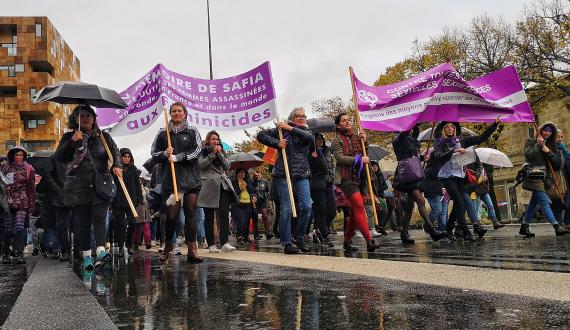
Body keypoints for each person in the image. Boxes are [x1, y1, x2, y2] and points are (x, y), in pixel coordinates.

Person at [56, 105, 121, 270]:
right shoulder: (69, 136)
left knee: (100, 219)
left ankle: (100, 250)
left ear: (94, 118)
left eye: (88, 115)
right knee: (83, 223)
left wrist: (117, 165)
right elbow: (60, 157)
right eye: (81, 115)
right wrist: (72, 142)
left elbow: (115, 153)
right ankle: (86, 256)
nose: (85, 118)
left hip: (101, 185)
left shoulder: (103, 137)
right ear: (76, 119)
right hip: (79, 186)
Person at [151, 102, 203, 263]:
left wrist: (179, 157)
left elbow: (197, 151)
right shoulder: (162, 133)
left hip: (191, 180)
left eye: (180, 111)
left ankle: (192, 249)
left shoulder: (192, 131)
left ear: (185, 113)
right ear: (171, 114)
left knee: (191, 213)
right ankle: (168, 246)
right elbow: (153, 153)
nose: (176, 113)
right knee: (172, 217)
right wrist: (165, 153)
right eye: (174, 111)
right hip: (171, 181)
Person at [257, 107, 314, 254]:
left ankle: (299, 237)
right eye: (298, 116)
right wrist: (278, 143)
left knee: (307, 206)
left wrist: (289, 127)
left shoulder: (307, 132)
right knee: (286, 208)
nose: (302, 118)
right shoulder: (281, 130)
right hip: (284, 174)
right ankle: (287, 242)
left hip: (302, 174)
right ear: (292, 117)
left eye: (303, 116)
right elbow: (261, 135)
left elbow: (309, 139)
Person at [432, 119, 499, 241]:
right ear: (443, 130)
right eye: (446, 127)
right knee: (461, 203)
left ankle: (448, 230)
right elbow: (438, 157)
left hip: (460, 177)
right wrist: (453, 151)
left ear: (455, 129)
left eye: (452, 126)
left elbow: (480, 138)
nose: (450, 129)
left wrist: (494, 125)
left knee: (458, 204)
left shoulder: (461, 141)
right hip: (448, 177)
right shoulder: (439, 143)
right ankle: (466, 231)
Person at [331, 113, 380, 252]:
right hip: (346, 179)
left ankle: (347, 241)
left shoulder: (357, 137)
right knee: (359, 206)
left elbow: (365, 153)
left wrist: (365, 142)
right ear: (338, 124)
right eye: (344, 120)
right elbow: (340, 159)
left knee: (355, 211)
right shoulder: (336, 140)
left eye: (348, 120)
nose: (347, 122)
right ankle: (369, 241)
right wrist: (358, 160)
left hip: (361, 179)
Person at [392, 125, 447, 244]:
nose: (411, 130)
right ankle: (432, 231)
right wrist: (412, 119)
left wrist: (422, 157)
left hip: (414, 174)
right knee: (420, 200)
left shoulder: (412, 140)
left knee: (409, 206)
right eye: (410, 128)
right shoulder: (398, 140)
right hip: (405, 175)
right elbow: (405, 155)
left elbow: (413, 155)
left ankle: (404, 234)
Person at [520, 123, 569, 237]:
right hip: (534, 175)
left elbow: (557, 165)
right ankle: (556, 226)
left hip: (545, 179)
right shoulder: (530, 142)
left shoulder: (552, 145)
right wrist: (538, 145)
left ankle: (524, 225)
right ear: (541, 130)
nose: (547, 133)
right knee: (543, 200)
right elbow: (528, 156)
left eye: (550, 131)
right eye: (545, 130)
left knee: (534, 202)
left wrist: (547, 151)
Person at [197, 130, 238, 253]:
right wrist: (212, 154)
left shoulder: (221, 151)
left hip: (222, 185)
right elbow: (201, 165)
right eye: (213, 139)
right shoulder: (202, 151)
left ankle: (225, 242)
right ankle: (211, 245)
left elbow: (227, 166)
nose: (215, 141)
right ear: (208, 140)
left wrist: (219, 154)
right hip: (208, 186)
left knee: (224, 214)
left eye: (217, 139)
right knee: (209, 216)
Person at [0, 146, 36, 264]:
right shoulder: (4, 167)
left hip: (23, 202)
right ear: (12, 155)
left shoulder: (29, 168)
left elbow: (31, 188)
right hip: (7, 203)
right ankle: (5, 253)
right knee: (7, 228)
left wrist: (32, 205)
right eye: (17, 155)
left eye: (21, 155)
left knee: (20, 227)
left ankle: (19, 253)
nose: (19, 157)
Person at [112, 148, 143, 256]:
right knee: (120, 225)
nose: (126, 159)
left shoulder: (133, 169)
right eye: (124, 157)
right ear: (120, 157)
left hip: (131, 201)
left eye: (128, 157)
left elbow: (137, 185)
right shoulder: (115, 169)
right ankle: (120, 246)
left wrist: (140, 199)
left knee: (133, 223)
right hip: (118, 201)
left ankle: (129, 244)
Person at [308, 133, 337, 247]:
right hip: (317, 185)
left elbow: (330, 168)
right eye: (317, 139)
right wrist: (313, 158)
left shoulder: (327, 151)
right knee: (322, 212)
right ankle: (324, 236)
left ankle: (319, 231)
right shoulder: (310, 153)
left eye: (321, 139)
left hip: (329, 183)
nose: (320, 141)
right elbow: (313, 170)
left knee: (332, 211)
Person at [44, 153, 74, 261]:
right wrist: (57, 189)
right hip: (60, 197)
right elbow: (48, 174)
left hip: (77, 194)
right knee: (62, 225)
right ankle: (65, 250)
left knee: (78, 224)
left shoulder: (79, 156)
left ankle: (78, 250)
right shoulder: (54, 157)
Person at [231, 168, 254, 245]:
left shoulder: (247, 181)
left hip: (247, 203)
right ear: (237, 174)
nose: (242, 174)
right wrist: (240, 189)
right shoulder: (234, 182)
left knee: (246, 221)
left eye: (244, 172)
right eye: (241, 172)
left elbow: (252, 190)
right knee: (241, 220)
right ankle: (240, 236)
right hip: (238, 204)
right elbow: (233, 192)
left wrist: (247, 186)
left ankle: (245, 236)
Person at [251, 170, 274, 240]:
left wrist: (265, 195)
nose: (258, 176)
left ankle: (267, 232)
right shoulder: (253, 182)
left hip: (263, 201)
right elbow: (251, 189)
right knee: (255, 217)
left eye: (260, 174)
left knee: (265, 215)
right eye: (257, 174)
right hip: (255, 201)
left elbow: (268, 190)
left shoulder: (265, 181)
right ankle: (256, 234)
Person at [554, 130, 570, 228]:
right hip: (558, 179)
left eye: (561, 137)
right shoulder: (552, 149)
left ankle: (567, 223)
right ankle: (559, 224)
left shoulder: (564, 149)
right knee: (558, 203)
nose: (559, 139)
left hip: (567, 179)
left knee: (567, 202)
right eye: (557, 137)